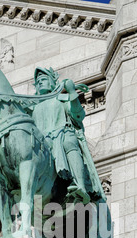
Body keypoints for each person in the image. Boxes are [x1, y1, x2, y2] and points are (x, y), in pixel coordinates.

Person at [31, 67, 104, 204]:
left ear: (53, 82)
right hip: (41, 142)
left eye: (44, 79)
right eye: (38, 81)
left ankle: (80, 186)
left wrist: (71, 92)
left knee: (69, 142)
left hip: (62, 134)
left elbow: (78, 114)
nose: (40, 83)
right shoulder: (32, 107)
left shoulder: (61, 99)